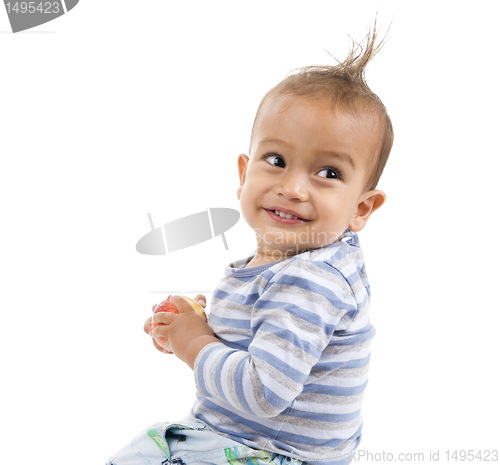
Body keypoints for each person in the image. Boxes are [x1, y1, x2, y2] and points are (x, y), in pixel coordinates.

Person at [107, 29, 393, 465]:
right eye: (276, 160)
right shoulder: (291, 263)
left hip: (269, 453)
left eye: (329, 173)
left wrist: (194, 341)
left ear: (362, 207)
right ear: (244, 173)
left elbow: (262, 393)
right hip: (245, 442)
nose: (293, 187)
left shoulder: (311, 280)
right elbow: (260, 340)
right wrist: (197, 324)